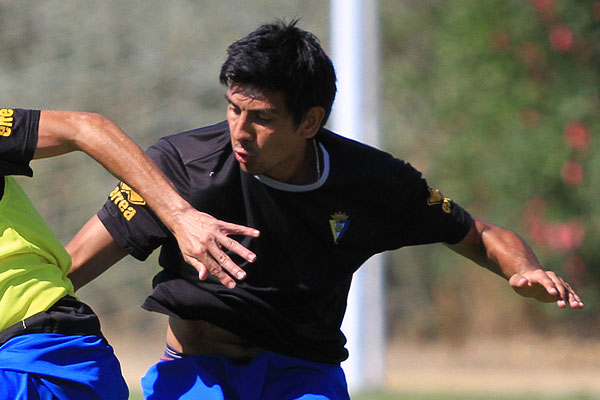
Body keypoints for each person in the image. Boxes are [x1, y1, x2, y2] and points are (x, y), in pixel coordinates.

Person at [67, 20, 584, 400]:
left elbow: (477, 231)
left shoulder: (373, 183)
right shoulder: (181, 165)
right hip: (199, 371)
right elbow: (76, 263)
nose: (240, 131)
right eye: (233, 109)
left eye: (263, 118)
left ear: (310, 121)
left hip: (302, 375)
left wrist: (526, 269)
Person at [0, 108, 258, 400]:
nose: (244, 128)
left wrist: (180, 215)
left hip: (40, 355)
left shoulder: (192, 161)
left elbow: (84, 127)